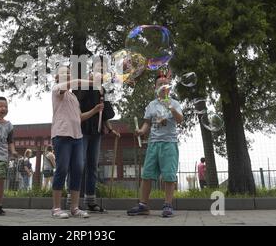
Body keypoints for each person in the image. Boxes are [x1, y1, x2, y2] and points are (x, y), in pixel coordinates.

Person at [50, 66, 104, 219]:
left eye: (69, 72)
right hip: (62, 135)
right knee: (62, 169)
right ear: (57, 78)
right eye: (64, 73)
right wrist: (91, 81)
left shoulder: (73, 97)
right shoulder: (57, 89)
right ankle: (56, 208)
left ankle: (74, 208)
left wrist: (94, 110)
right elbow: (74, 82)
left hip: (77, 137)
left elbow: (80, 117)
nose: (67, 75)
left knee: (78, 170)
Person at [127, 73, 183, 218]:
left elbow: (180, 119)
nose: (163, 87)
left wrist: (170, 107)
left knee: (169, 176)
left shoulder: (174, 103)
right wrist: (141, 131)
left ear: (169, 88)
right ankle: (143, 205)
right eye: (160, 84)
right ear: (155, 88)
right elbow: (147, 123)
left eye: (166, 84)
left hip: (169, 143)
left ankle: (168, 205)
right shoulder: (152, 105)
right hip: (153, 143)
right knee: (147, 175)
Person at [71, 56, 120, 212]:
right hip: (82, 130)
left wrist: (111, 129)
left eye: (104, 69)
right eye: (99, 67)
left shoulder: (102, 89)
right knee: (80, 164)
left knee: (92, 165)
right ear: (92, 68)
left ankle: (90, 201)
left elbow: (104, 113)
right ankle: (73, 201)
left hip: (96, 132)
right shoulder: (83, 85)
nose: (102, 70)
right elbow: (75, 106)